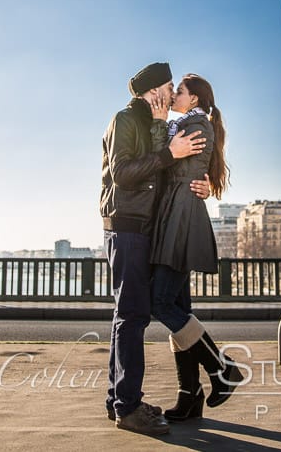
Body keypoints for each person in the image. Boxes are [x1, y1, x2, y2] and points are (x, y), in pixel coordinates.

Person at [100, 61, 210, 436]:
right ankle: (128, 407)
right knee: (131, 315)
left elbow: (166, 174)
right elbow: (124, 173)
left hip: (148, 229)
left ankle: (120, 398)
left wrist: (202, 186)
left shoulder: (153, 122)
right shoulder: (125, 120)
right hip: (128, 226)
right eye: (166, 86)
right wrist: (168, 153)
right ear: (153, 92)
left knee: (131, 316)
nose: (170, 92)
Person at [149, 74, 243, 421]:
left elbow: (166, 161)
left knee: (159, 302)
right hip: (176, 214)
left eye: (180, 91)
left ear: (195, 99)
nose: (174, 94)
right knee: (178, 308)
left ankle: (223, 369)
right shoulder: (192, 122)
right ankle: (190, 395)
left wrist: (160, 124)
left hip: (180, 219)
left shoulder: (196, 125)